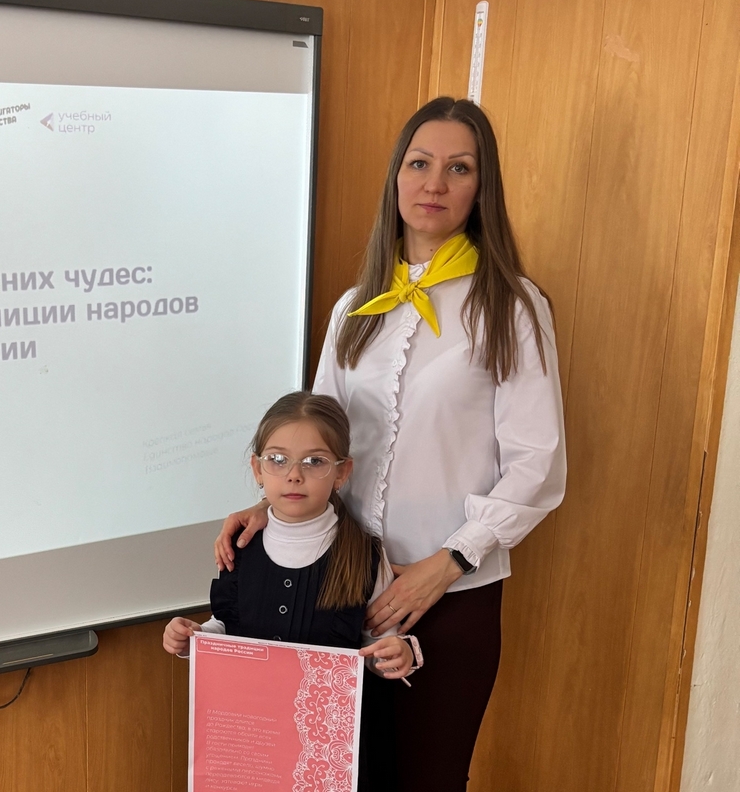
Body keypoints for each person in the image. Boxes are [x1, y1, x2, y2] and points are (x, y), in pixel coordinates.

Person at [214, 97, 566, 791]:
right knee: (331, 777)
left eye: (458, 168)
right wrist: (270, 506)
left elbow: (537, 463)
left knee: (429, 778)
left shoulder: (512, 306)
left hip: (452, 596)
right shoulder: (355, 309)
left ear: (482, 188)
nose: (434, 183)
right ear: (396, 178)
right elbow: (315, 441)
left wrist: (449, 562)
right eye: (419, 163)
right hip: (338, 582)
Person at [164, 391, 423, 791]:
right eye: (278, 460)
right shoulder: (238, 547)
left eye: (314, 461)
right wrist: (192, 639)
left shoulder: (364, 554)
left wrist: (397, 653)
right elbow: (226, 627)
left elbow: (378, 645)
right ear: (257, 468)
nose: (294, 475)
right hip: (253, 747)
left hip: (328, 758)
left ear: (342, 472)